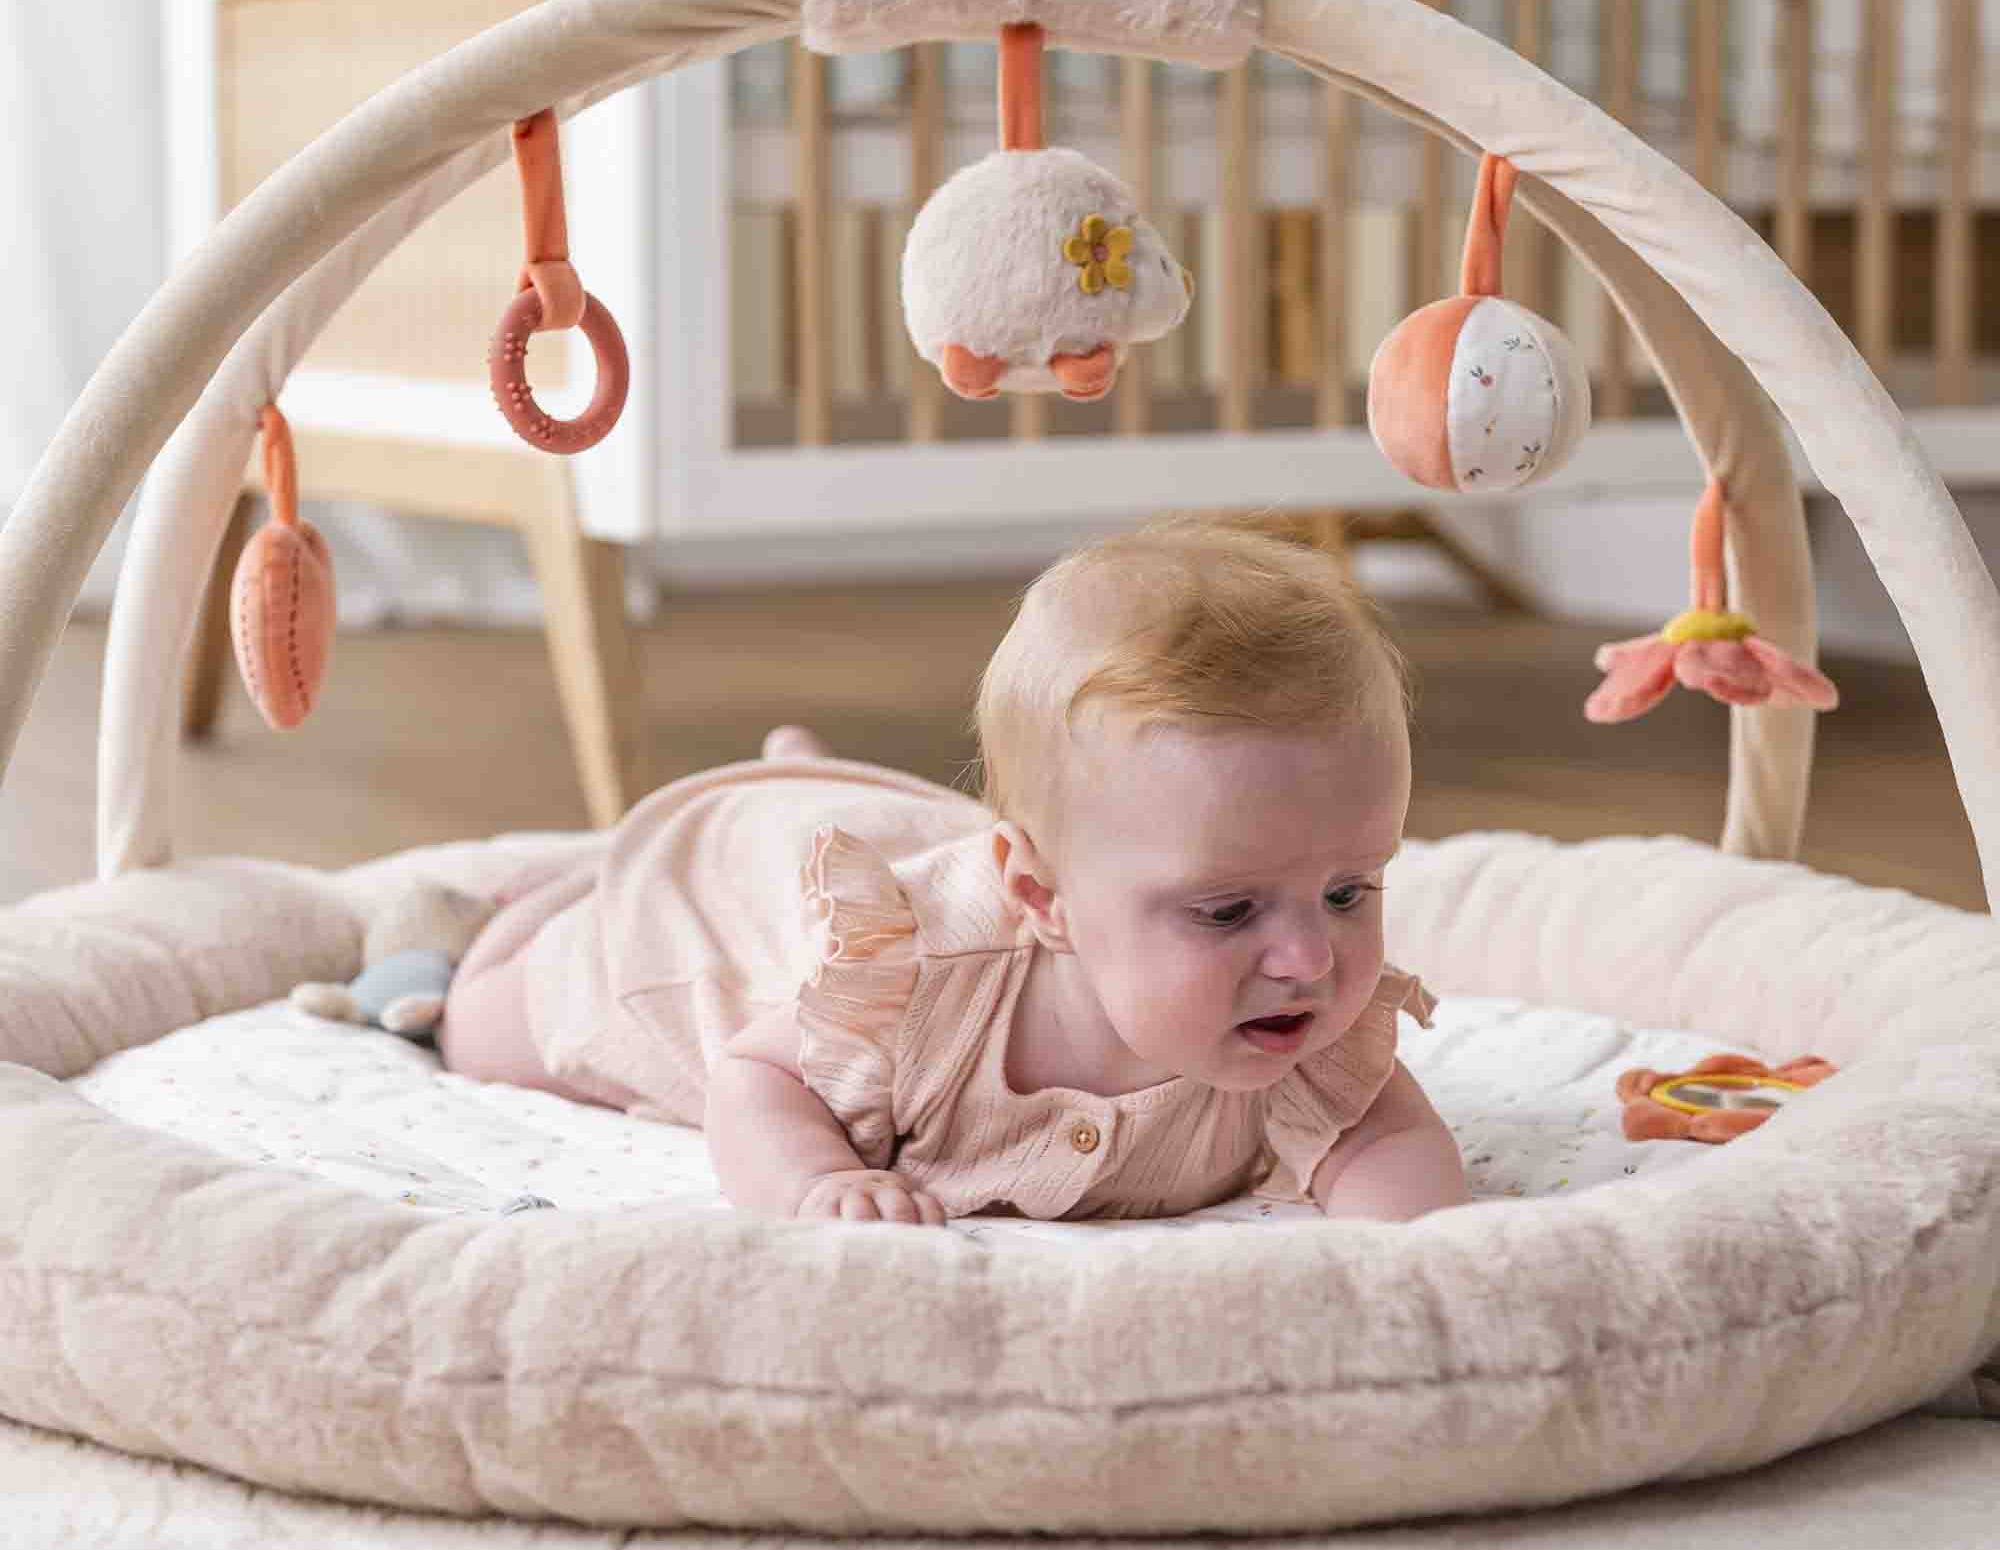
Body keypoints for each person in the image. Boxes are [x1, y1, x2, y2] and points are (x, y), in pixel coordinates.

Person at [437, 515, 1468, 1226]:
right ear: (1040, 902)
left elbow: (1384, 1146)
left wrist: (1416, 1256)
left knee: (941, 822)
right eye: (1228, 908)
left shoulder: (1303, 1026)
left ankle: (802, 767)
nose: (1305, 955)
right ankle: (558, 893)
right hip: (731, 921)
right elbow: (756, 1076)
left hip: (954, 841)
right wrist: (816, 1181)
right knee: (482, 1026)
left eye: (1347, 890)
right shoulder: (922, 986)